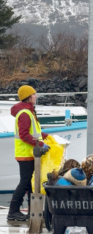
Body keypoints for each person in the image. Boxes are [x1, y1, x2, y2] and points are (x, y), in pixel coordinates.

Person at [7, 85, 50, 221]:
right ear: (28, 97)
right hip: (25, 154)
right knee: (25, 183)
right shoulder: (25, 114)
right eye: (34, 94)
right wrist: (41, 144)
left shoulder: (28, 112)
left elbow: (34, 133)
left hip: (30, 154)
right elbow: (25, 135)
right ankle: (13, 211)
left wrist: (47, 136)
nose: (36, 96)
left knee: (31, 183)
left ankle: (34, 211)